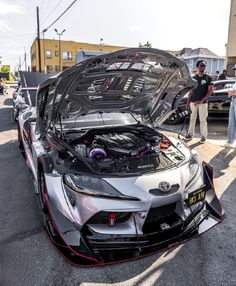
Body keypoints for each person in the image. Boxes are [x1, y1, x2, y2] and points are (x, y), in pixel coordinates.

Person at [185, 60, 213, 143]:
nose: (203, 67)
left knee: (203, 120)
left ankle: (203, 136)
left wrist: (202, 100)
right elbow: (190, 92)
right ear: (197, 67)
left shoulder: (208, 78)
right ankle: (190, 134)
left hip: (203, 103)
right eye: (201, 65)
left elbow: (210, 91)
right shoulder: (194, 78)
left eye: (204, 66)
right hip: (193, 102)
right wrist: (187, 103)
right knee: (192, 119)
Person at [224, 65, 236, 147]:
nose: (235, 71)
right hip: (233, 100)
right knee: (231, 122)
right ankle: (230, 141)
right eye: (234, 69)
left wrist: (231, 92)